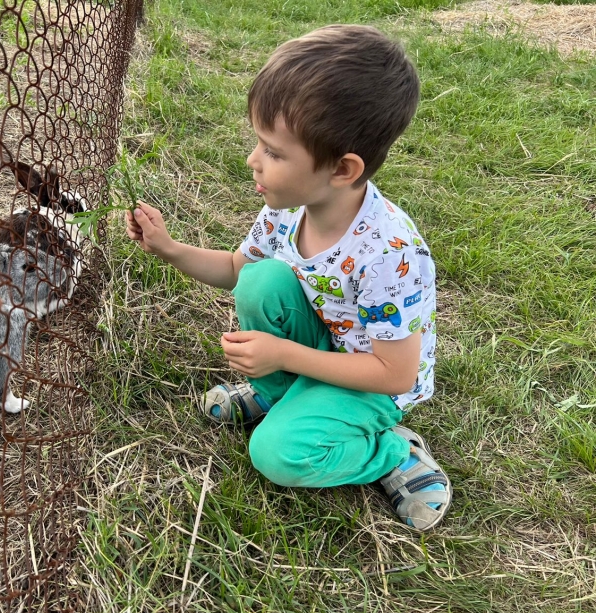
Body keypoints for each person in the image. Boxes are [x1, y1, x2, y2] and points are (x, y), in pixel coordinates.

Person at [124, 24, 450, 531]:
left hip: (373, 384)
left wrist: (283, 356)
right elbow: (236, 270)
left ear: (342, 170)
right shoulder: (287, 212)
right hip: (325, 349)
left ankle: (393, 452)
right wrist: (169, 249)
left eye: (274, 152)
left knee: (277, 454)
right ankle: (282, 396)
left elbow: (394, 374)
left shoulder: (387, 253)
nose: (253, 161)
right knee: (260, 280)